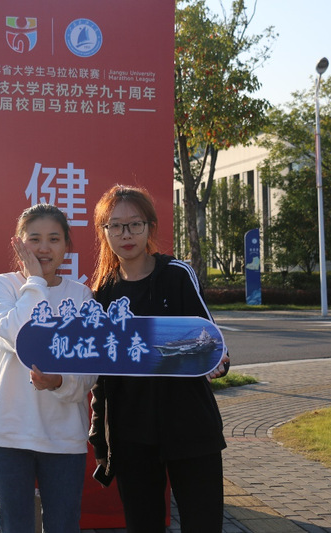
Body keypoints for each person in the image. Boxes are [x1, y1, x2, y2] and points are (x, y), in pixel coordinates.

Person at [88, 185, 230, 533]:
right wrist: (101, 436)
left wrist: (218, 361)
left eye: (135, 224)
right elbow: (100, 374)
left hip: (189, 426)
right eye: (115, 225)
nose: (126, 234)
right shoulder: (102, 293)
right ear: (104, 232)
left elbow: (209, 340)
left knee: (203, 524)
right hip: (131, 434)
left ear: (150, 227)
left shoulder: (176, 275)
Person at [0, 204, 96, 533]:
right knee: (14, 526)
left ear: (66, 246)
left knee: (63, 526)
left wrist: (60, 382)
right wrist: (34, 281)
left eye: (54, 239)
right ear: (18, 243)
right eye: (34, 239)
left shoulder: (81, 296)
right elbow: (18, 335)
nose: (44, 248)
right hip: (7, 436)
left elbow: (89, 371)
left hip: (64, 439)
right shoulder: (1, 286)